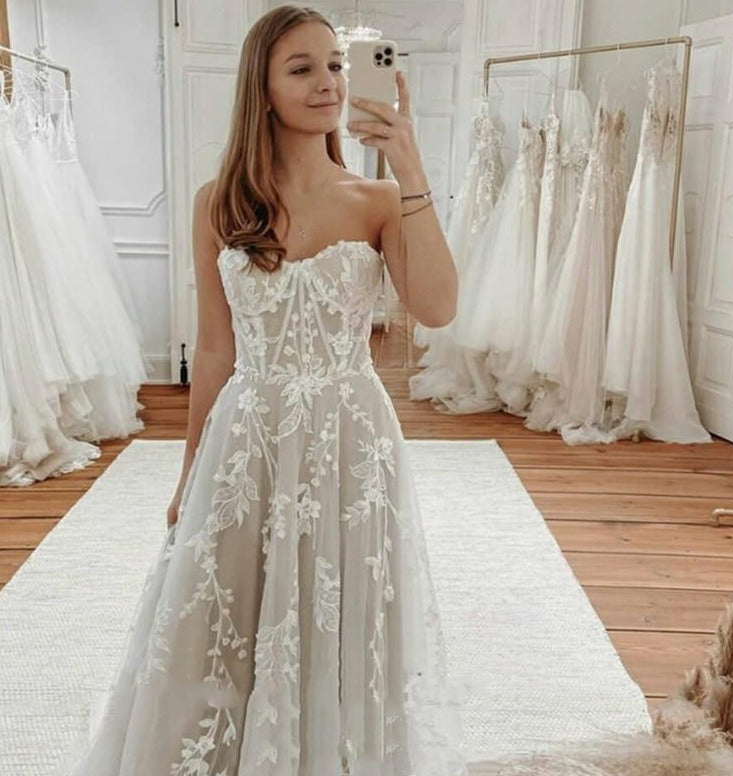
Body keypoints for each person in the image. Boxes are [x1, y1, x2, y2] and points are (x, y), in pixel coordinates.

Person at [62, 5, 470, 775]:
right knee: (226, 604)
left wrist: (410, 168)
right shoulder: (218, 202)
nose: (329, 83)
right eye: (302, 68)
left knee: (342, 610)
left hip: (351, 439)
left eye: (336, 65)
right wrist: (189, 471)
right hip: (247, 434)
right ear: (263, 87)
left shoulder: (378, 200)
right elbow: (216, 347)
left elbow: (439, 307)